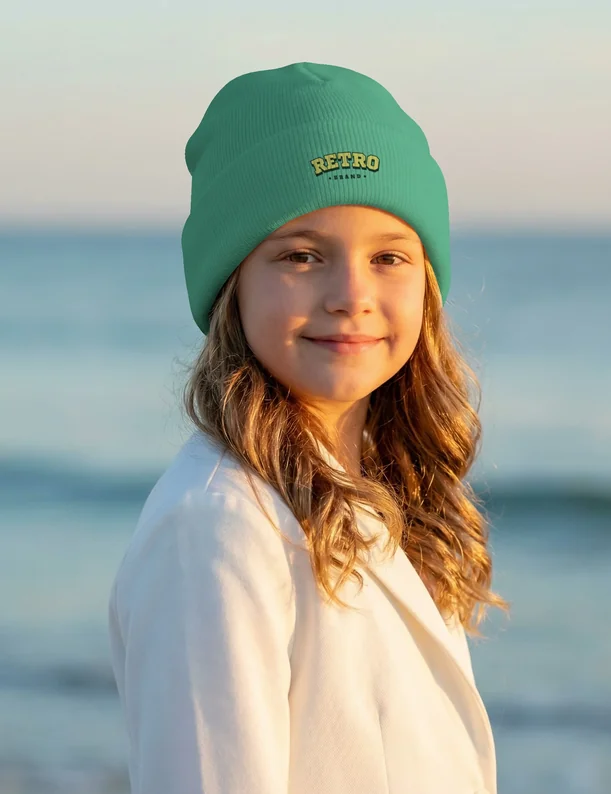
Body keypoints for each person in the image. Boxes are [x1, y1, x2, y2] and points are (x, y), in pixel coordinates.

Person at [107, 61, 510, 794]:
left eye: (389, 256)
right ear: (232, 285)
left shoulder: (388, 495)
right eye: (300, 256)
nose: (351, 295)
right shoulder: (217, 528)